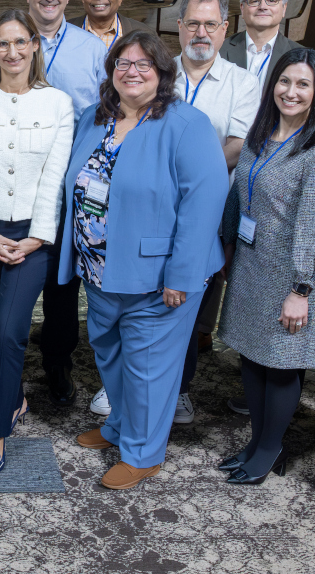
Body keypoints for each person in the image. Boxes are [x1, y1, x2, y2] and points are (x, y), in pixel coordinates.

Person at [65, 31, 229, 490]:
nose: (132, 72)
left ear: (162, 73)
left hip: (159, 279)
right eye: (123, 63)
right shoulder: (95, 119)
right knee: (111, 356)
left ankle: (142, 453)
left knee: (149, 369)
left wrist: (182, 273)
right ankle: (118, 427)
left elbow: (205, 202)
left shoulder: (186, 124)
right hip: (100, 270)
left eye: (144, 65)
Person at [0, 8, 75, 476]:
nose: (12, 52)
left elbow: (54, 178)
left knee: (9, 329)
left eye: (20, 42)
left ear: (35, 45)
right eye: (2, 44)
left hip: (31, 237)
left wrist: (37, 237)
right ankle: (15, 397)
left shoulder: (58, 104)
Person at [216, 48, 315, 484]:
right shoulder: (261, 135)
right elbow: (239, 194)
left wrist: (302, 290)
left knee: (283, 363)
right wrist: (228, 243)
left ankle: (272, 448)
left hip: (291, 275)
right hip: (252, 265)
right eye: (285, 81)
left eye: (303, 84)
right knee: (252, 356)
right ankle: (258, 440)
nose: (291, 91)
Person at [165, 0, 259, 425]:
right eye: (192, 23)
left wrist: (182, 175)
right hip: (155, 207)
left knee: (192, 303)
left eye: (210, 25)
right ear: (178, 27)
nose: (200, 33)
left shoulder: (243, 83)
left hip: (209, 210)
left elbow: (238, 146)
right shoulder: (158, 75)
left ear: (225, 30)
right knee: (148, 299)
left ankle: (180, 390)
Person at [25, 0, 107, 407]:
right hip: (19, 181)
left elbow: (105, 114)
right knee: (14, 275)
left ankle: (58, 361)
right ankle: (7, 357)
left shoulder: (92, 49)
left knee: (62, 282)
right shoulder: (11, 40)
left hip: (70, 186)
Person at [221, 0, 301, 84]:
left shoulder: (300, 56)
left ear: (284, 8)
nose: (263, 7)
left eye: (272, 0)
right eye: (254, 1)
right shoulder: (220, 51)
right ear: (242, 9)